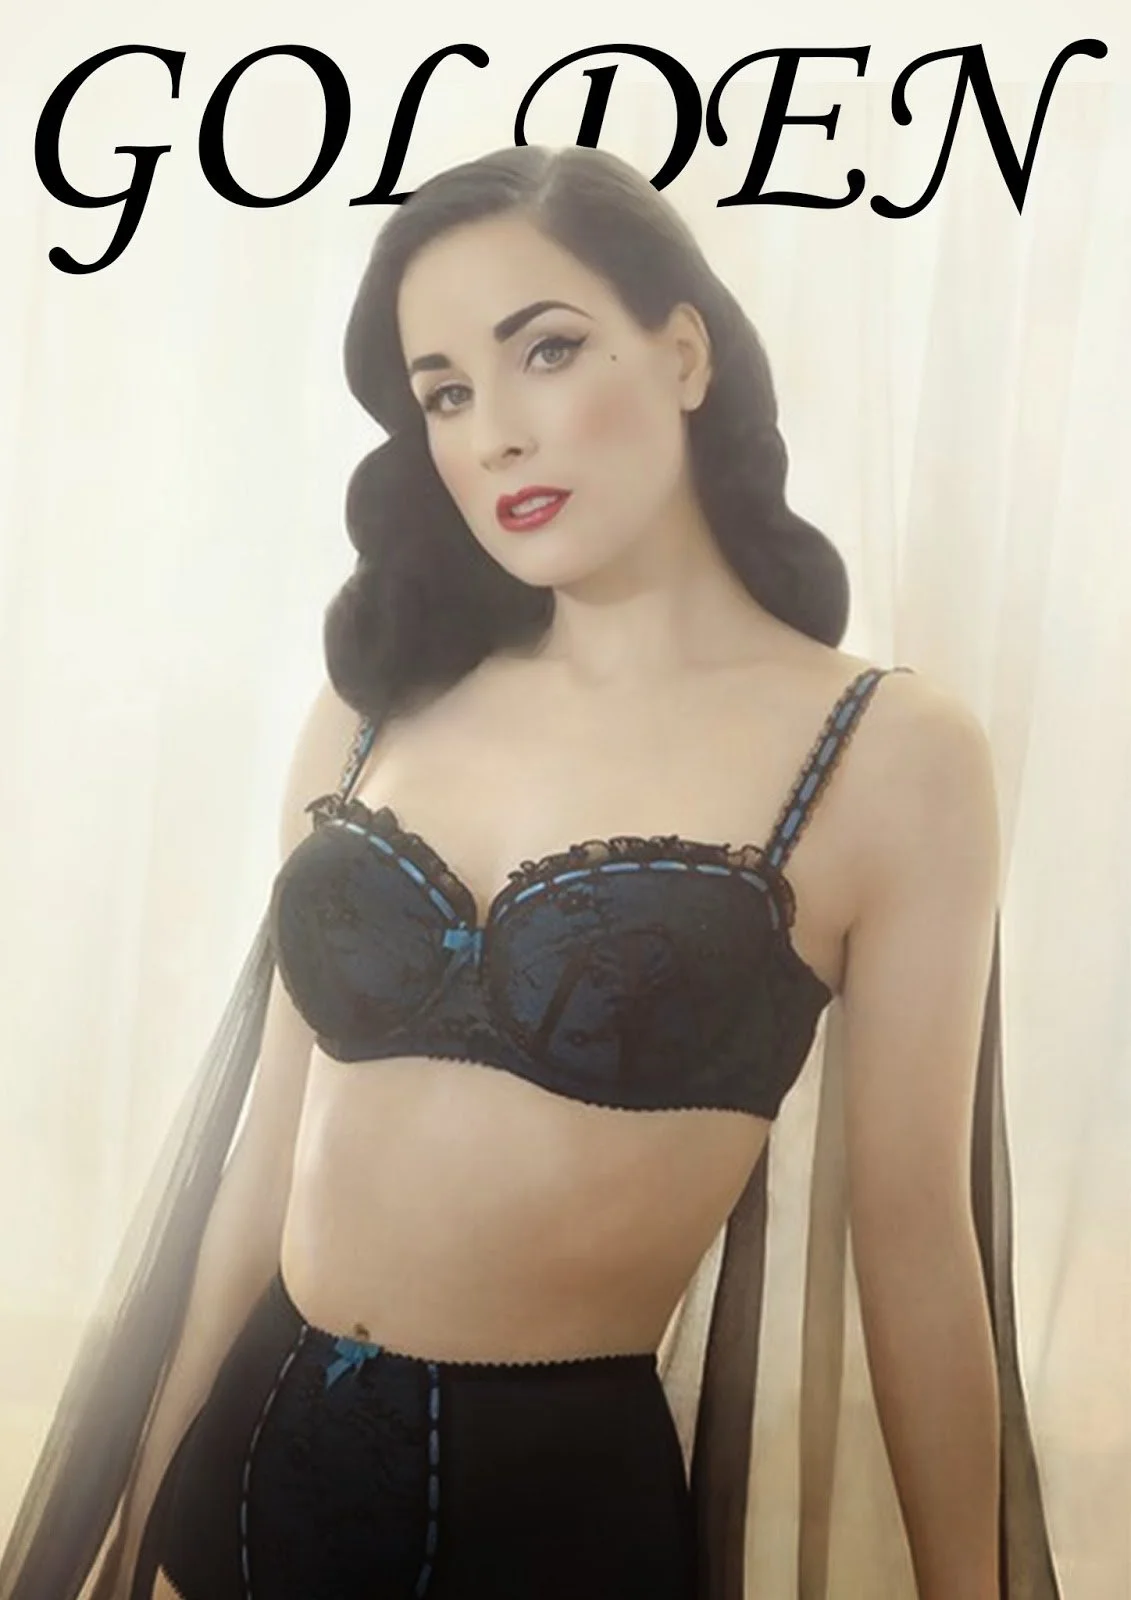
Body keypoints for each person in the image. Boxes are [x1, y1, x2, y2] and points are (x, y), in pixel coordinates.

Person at [0, 144, 1061, 1600]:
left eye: (545, 351)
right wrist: (131, 1535)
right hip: (238, 1497)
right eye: (444, 392)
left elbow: (916, 1241)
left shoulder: (886, 753)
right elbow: (266, 1162)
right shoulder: (375, 707)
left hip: (557, 1531)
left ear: (682, 353)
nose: (494, 434)